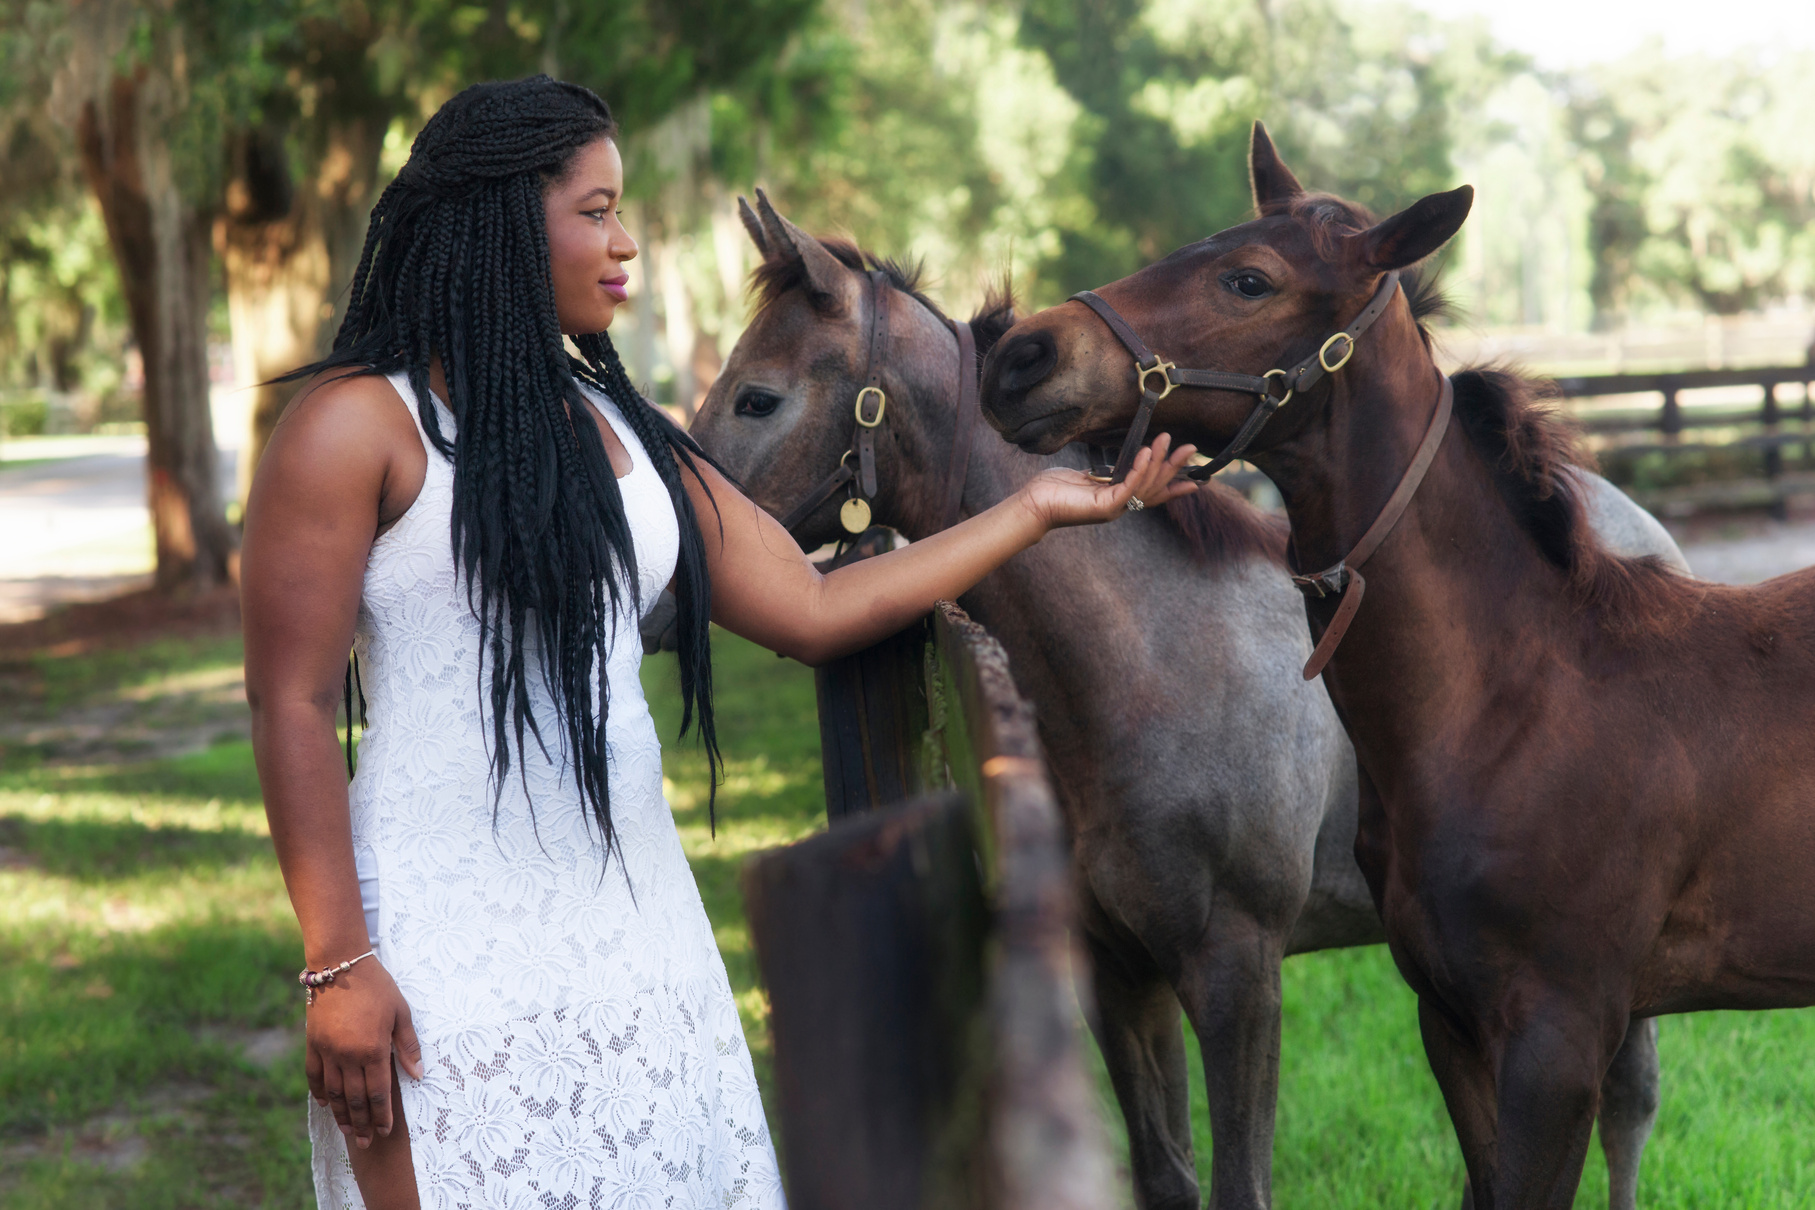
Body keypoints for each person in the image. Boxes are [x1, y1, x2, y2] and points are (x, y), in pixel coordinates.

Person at [240, 75, 1196, 1210]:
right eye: (594, 211)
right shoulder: (355, 427)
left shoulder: (627, 436)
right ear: (503, 220)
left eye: (621, 209)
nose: (625, 240)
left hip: (643, 937)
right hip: (445, 957)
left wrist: (1035, 510)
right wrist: (341, 962)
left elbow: (814, 606)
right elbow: (290, 703)